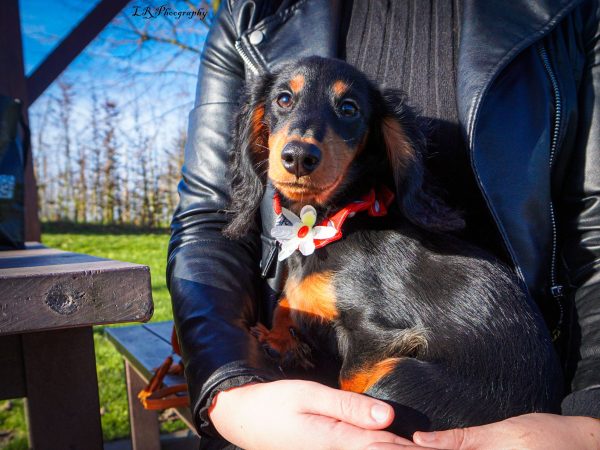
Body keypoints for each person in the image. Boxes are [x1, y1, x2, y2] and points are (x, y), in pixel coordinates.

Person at [167, 1, 600, 448]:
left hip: (514, 409)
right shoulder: (251, 11)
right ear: (261, 126)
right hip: (276, 407)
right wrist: (230, 389)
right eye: (284, 100)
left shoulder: (574, 9)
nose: (302, 146)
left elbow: (596, 232)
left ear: (385, 143)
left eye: (348, 110)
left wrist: (593, 423)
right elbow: (209, 217)